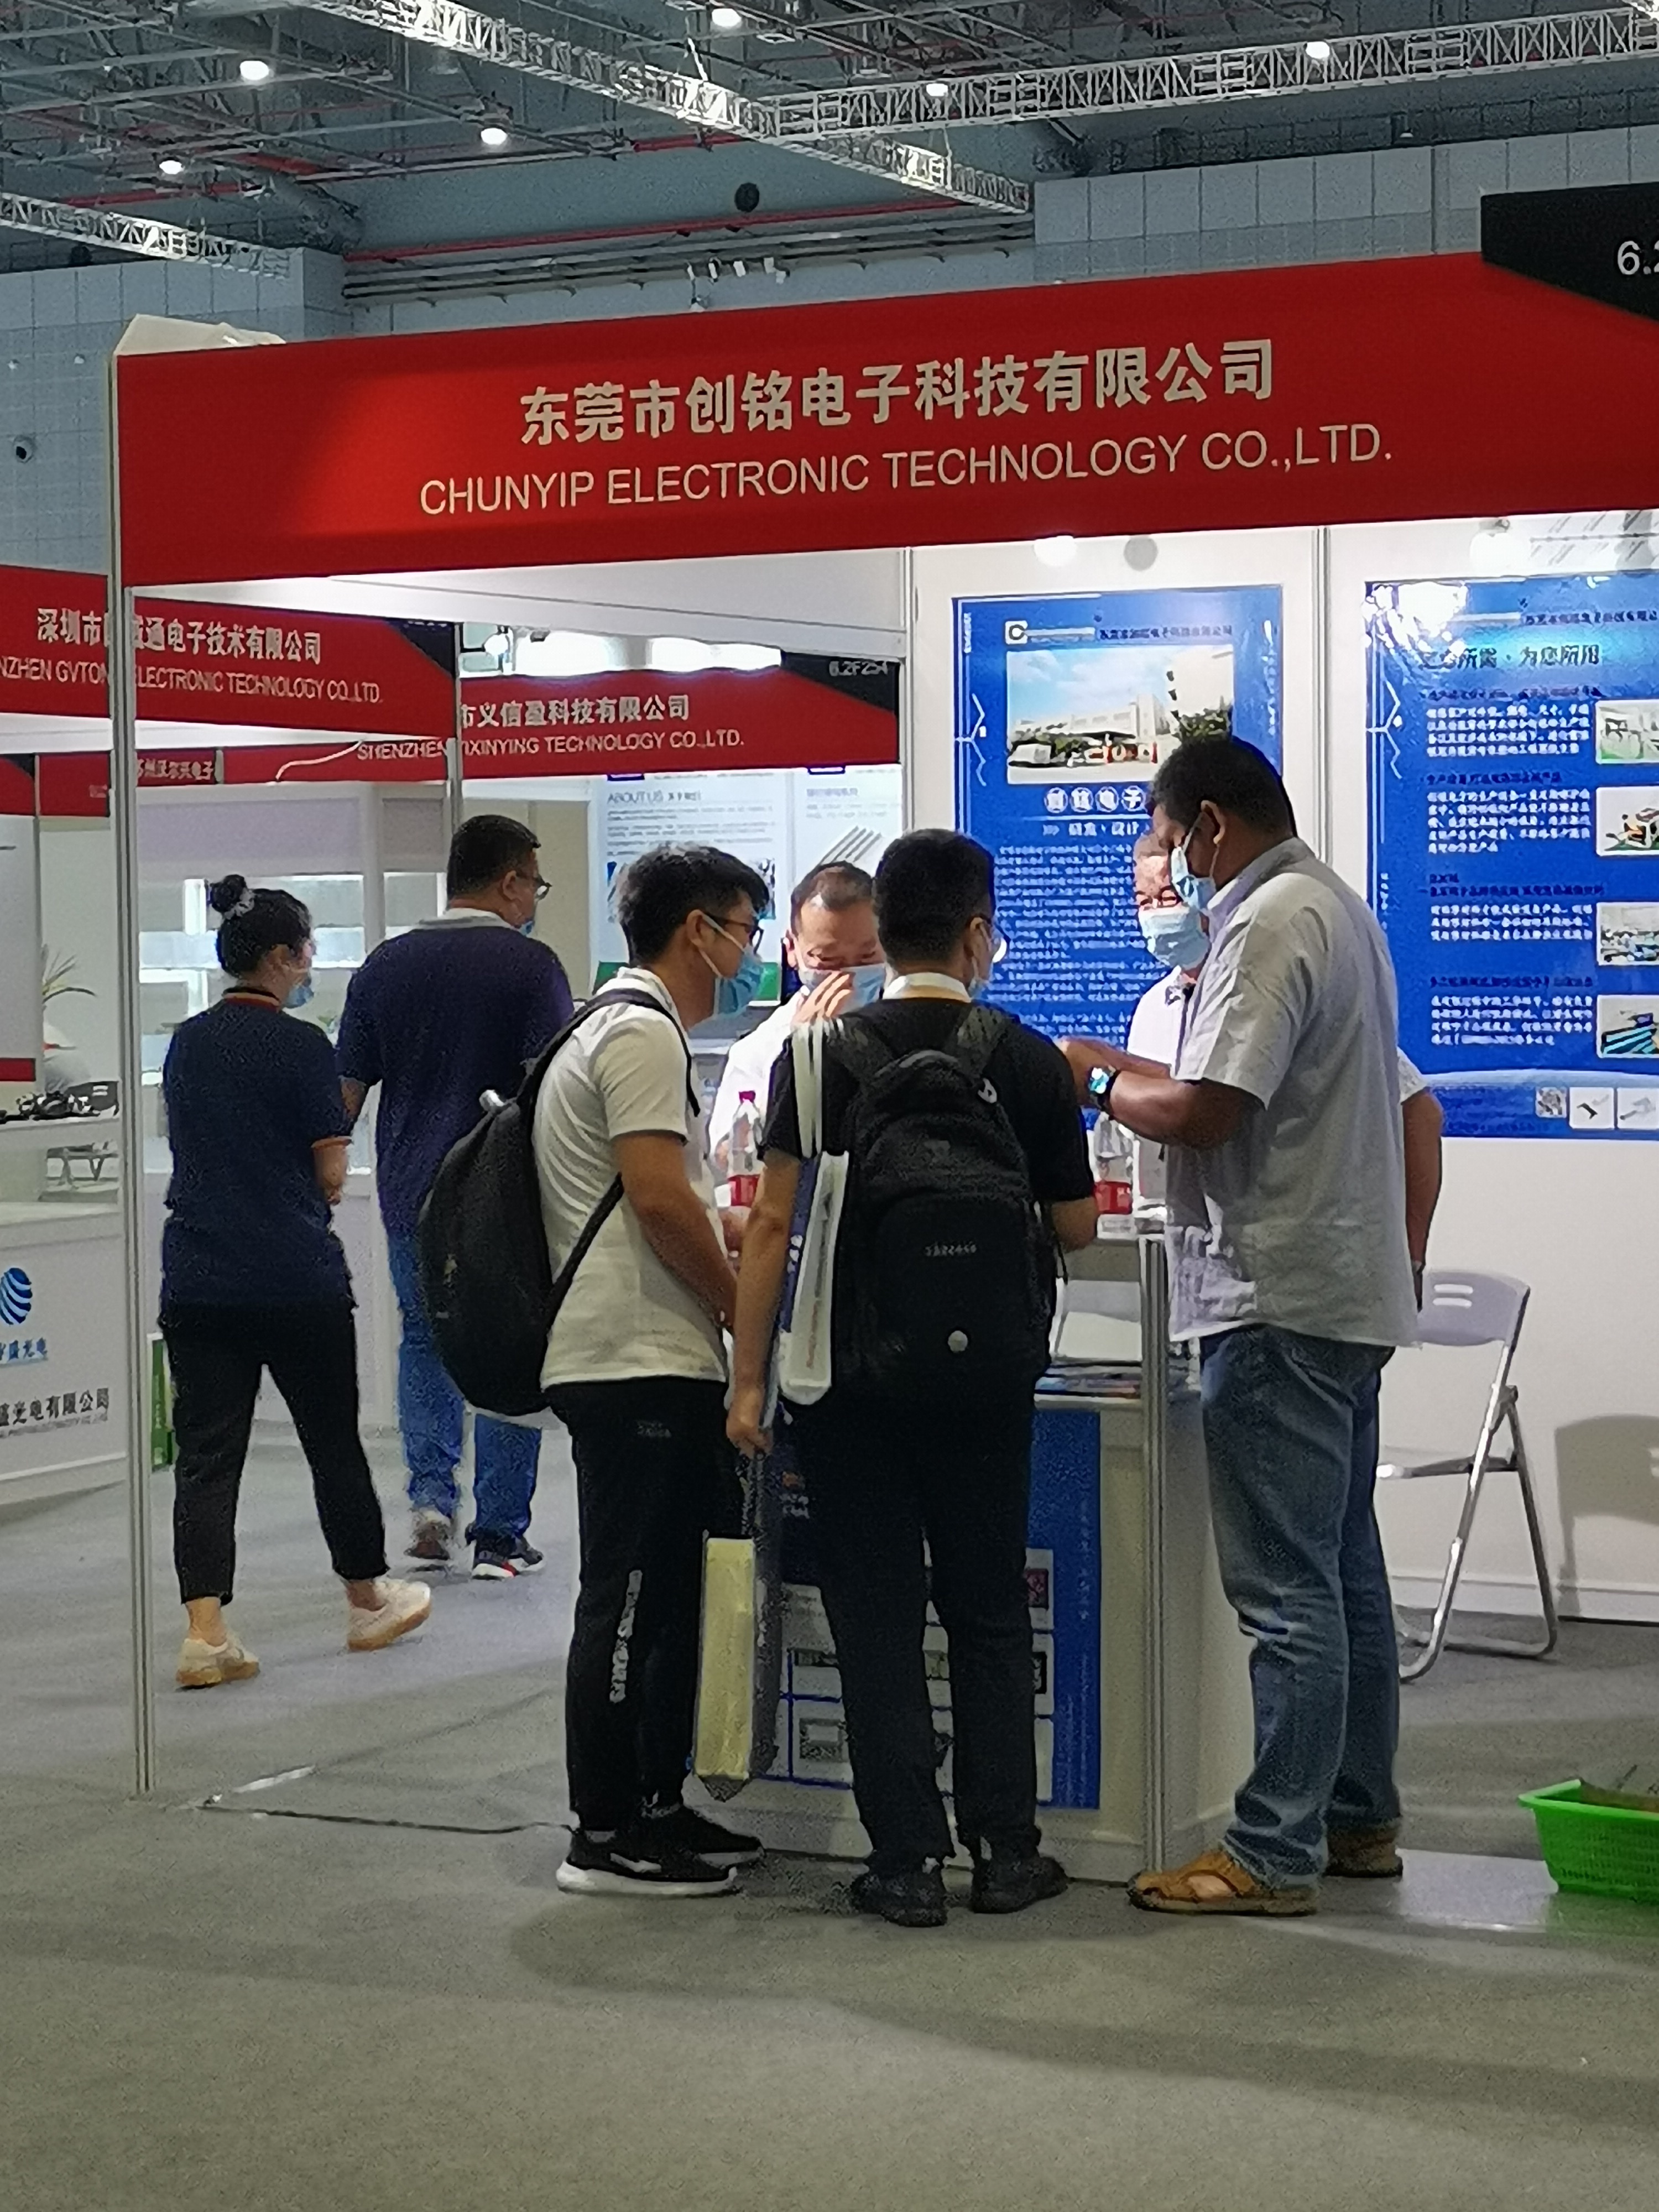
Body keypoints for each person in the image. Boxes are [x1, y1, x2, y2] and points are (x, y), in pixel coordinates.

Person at [1060, 740, 1418, 1917]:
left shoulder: (1264, 924)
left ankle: (1269, 1850)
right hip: (1342, 1289)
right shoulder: (1336, 908)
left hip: (1275, 1296)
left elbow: (1207, 1111)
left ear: (1210, 824)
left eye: (1168, 842)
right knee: (1344, 1573)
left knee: (1284, 1590)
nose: (1166, 869)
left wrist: (1091, 1079)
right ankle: (1356, 1814)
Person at [729, 829, 1099, 1929]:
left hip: (851, 1383)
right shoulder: (1026, 1059)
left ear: (882, 935)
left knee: (877, 1615)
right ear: (978, 932)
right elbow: (1077, 1226)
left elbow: (771, 1227)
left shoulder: (817, 1057)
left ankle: (903, 1862)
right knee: (988, 1609)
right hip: (987, 1381)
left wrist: (747, 1383)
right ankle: (1008, 1851)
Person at [536, 843, 768, 1899]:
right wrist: (737, 1309)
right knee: (627, 1595)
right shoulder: (636, 1031)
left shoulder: (624, 1025)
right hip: (629, 1358)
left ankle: (657, 1802)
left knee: (671, 1592)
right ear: (696, 931)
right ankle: (603, 1829)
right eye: (744, 930)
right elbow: (658, 1197)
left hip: (654, 1357)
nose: (750, 955)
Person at [160, 876, 432, 1691]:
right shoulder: (305, 1046)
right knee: (331, 1442)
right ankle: (366, 1599)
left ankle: (206, 1632)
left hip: (199, 1276)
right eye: (308, 948)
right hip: (294, 1277)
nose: (311, 963)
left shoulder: (187, 1042)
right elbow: (330, 1169)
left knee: (207, 1456)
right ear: (281, 957)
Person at [337, 814, 574, 1580]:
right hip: (504, 1203)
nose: (532, 900)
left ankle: (431, 1504)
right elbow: (553, 1092)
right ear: (509, 881)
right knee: (513, 1345)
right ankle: (499, 1535)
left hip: (411, 1195)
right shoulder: (532, 967)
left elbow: (344, 1098)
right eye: (534, 885)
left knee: (424, 1339)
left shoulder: (383, 966)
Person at [1088, 830, 1446, 1285]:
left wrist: (1411, 1258)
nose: (1157, 914)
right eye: (1145, 902)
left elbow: (1419, 1112)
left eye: (1169, 898)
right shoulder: (1154, 1009)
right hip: (1193, 1261)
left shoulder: (1264, 981)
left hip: (1290, 1269)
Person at [707, 861, 884, 1173]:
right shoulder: (760, 1049)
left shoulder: (910, 1023)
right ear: (792, 949)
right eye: (827, 960)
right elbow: (727, 1158)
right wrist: (794, 1065)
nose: (849, 975)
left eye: (867, 956)